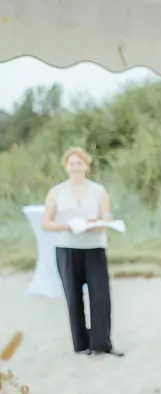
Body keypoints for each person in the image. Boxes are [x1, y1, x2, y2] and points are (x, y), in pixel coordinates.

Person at [41, 147, 123, 357]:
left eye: (79, 163)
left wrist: (100, 223)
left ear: (86, 165)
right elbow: (46, 223)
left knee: (100, 295)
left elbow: (106, 216)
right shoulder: (56, 191)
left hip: (94, 247)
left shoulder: (98, 190)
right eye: (72, 163)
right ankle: (81, 344)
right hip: (67, 248)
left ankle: (102, 343)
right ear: (66, 166)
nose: (76, 167)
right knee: (73, 297)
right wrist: (67, 226)